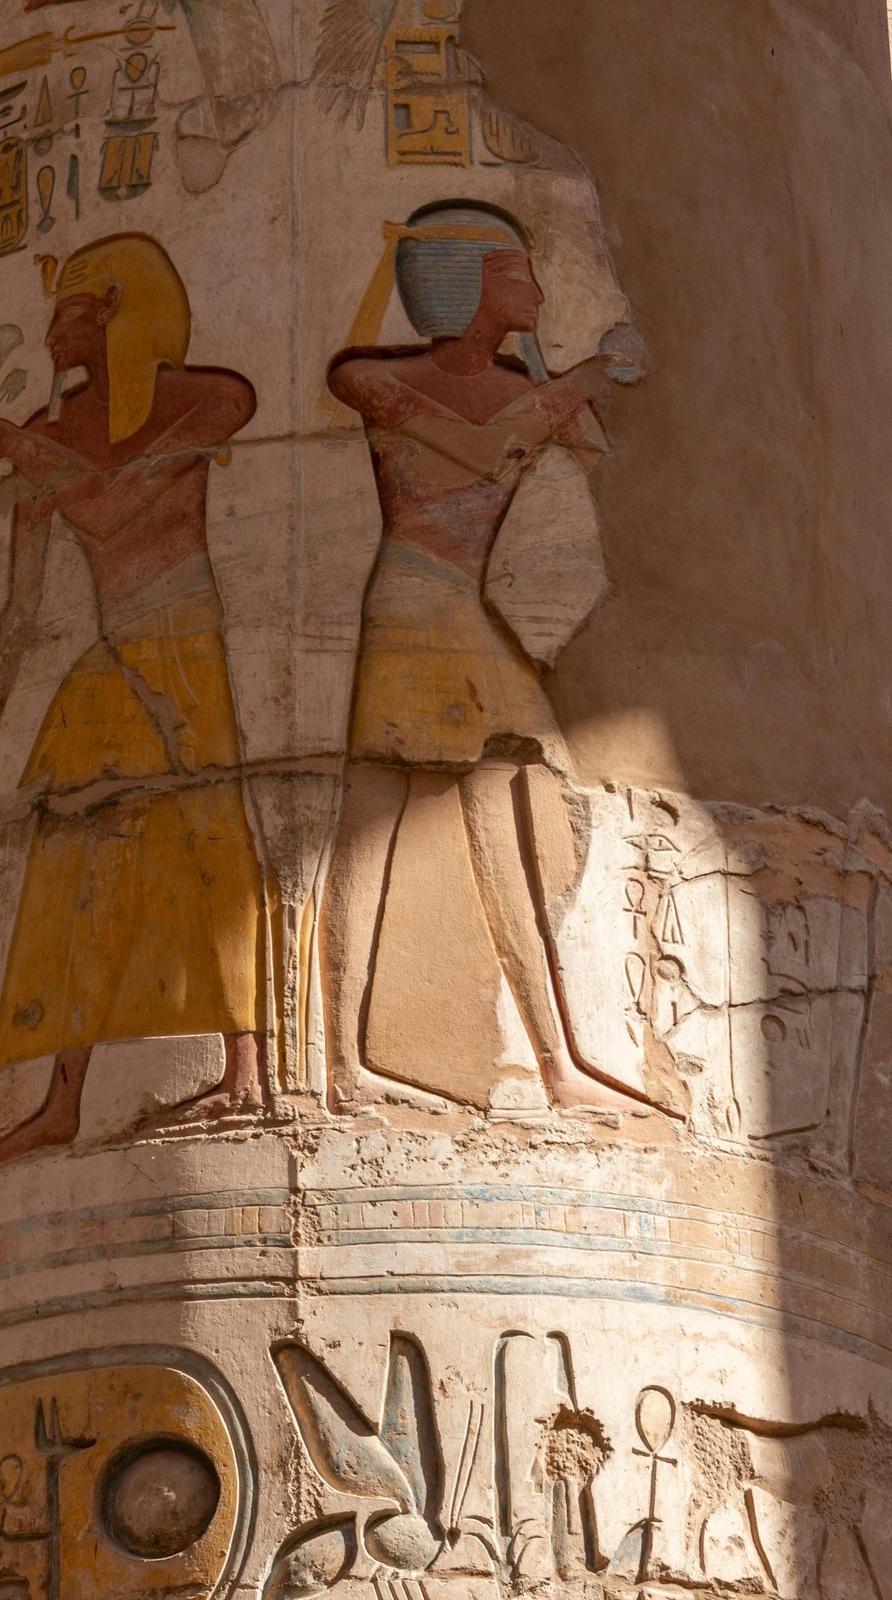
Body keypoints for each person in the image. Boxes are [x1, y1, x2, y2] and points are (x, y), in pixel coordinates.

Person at [0, 233, 265, 1169]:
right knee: (73, 859)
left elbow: (118, 505)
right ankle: (61, 1102)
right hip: (111, 650)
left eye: (72, 316)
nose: (53, 338)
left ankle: (247, 1068)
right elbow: (20, 609)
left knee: (212, 843)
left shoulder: (203, 399)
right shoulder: (50, 440)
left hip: (183, 636)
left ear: (124, 312)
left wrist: (30, 453)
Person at [324, 201, 649, 1115]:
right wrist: (583, 374)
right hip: (410, 601)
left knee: (504, 827)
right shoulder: (372, 378)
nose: (537, 289)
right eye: (517, 274)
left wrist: (553, 374)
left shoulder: (522, 386)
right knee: (368, 825)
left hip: (465, 606)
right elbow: (473, 447)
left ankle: (557, 1064)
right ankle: (339, 1060)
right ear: (461, 283)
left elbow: (588, 448)